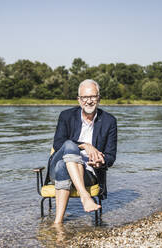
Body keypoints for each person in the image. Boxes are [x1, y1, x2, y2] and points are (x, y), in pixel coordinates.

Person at [49, 79, 117, 224]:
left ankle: (57, 223)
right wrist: (85, 145)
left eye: (92, 96)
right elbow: (58, 143)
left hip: (88, 172)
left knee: (63, 166)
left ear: (99, 98)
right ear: (79, 99)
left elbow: (111, 156)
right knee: (69, 145)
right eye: (85, 97)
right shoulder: (66, 116)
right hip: (55, 168)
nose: (89, 101)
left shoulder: (109, 121)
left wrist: (100, 162)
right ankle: (85, 196)